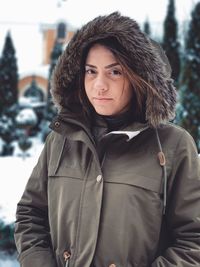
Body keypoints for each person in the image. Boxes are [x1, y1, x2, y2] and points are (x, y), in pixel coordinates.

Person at [14, 11, 200, 267]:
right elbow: (30, 214)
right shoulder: (61, 139)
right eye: (91, 71)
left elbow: (193, 240)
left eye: (115, 72)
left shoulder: (173, 145)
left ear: (139, 77)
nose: (99, 85)